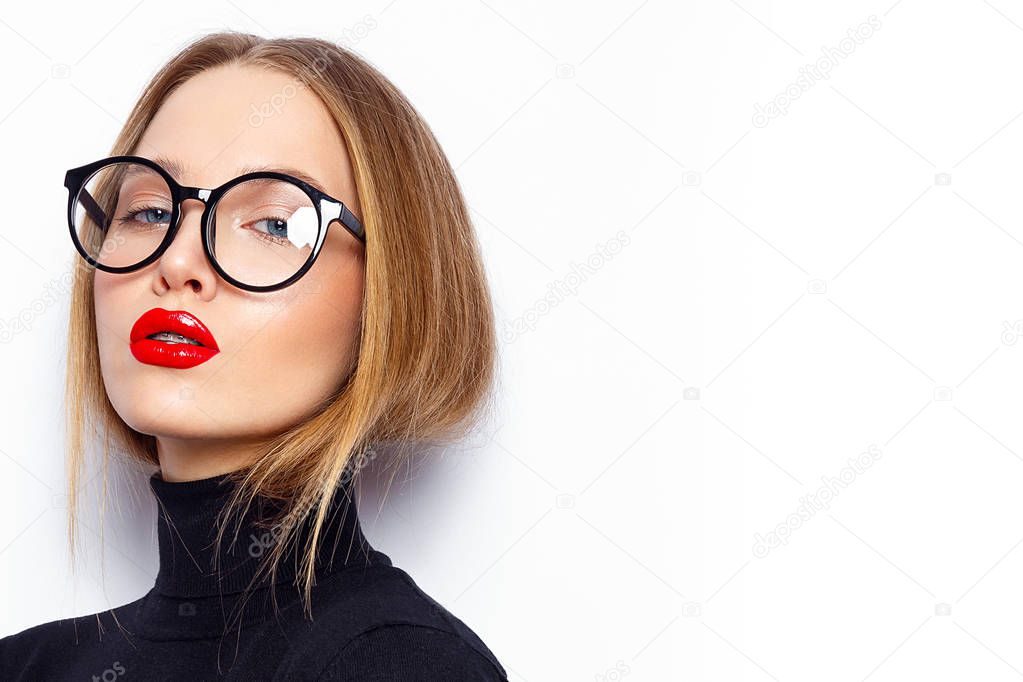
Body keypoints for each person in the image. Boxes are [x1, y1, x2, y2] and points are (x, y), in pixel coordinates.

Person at [0, 30, 507, 680]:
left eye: (274, 224)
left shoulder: (397, 662)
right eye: (150, 212)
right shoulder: (27, 665)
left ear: (389, 296)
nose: (178, 261)